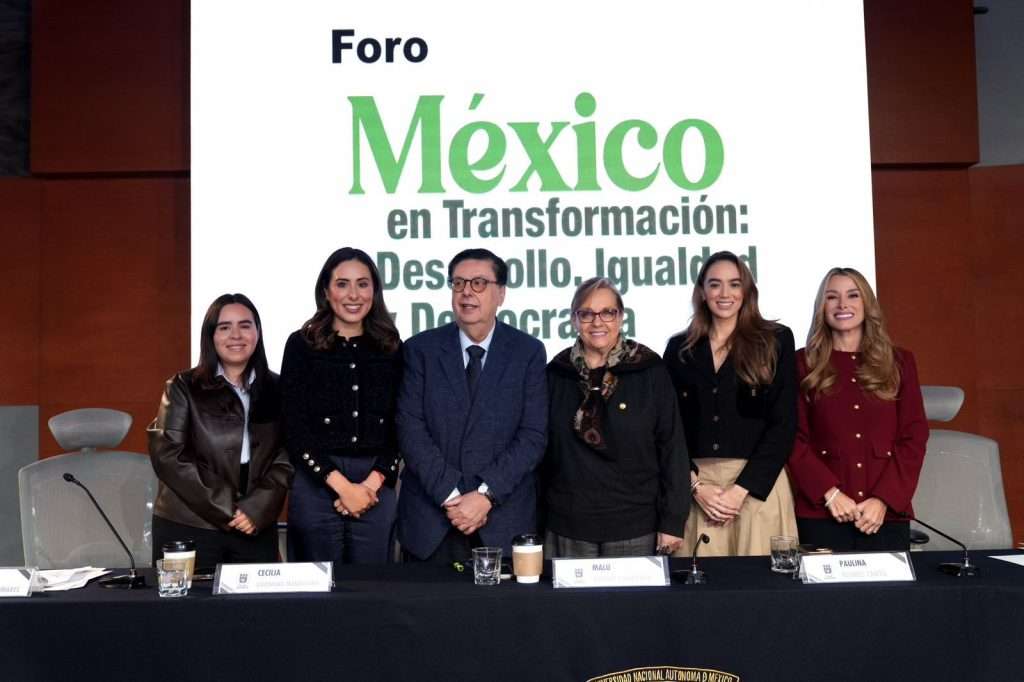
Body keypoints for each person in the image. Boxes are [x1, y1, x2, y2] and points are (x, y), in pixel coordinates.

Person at [396, 248, 547, 563]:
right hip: (432, 521)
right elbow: (410, 429)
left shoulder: (527, 352)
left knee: (503, 614)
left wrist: (484, 496)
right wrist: (452, 497)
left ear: (500, 293)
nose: (467, 292)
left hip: (501, 521)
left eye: (479, 283)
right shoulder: (420, 350)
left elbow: (532, 436)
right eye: (459, 283)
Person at [542, 278, 689, 558]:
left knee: (630, 604)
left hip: (635, 524)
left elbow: (672, 447)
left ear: (621, 317)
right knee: (568, 605)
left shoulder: (649, 369)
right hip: (568, 525)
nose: (597, 322)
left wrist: (673, 521)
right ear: (574, 320)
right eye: (586, 313)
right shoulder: (556, 373)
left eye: (607, 313)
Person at [664, 251, 798, 556]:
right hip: (699, 492)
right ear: (701, 292)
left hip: (757, 490)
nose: (724, 294)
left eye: (734, 284)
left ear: (747, 290)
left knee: (763, 595)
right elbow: (669, 430)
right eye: (715, 284)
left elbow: (784, 424)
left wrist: (740, 491)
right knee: (699, 598)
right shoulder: (679, 350)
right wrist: (695, 488)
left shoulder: (776, 340)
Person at [148, 294, 293, 570]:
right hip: (188, 523)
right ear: (211, 336)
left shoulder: (279, 388)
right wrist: (228, 509)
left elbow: (287, 454)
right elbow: (168, 454)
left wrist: (256, 508)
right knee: (187, 612)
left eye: (245, 325)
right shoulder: (183, 386)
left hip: (254, 524)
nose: (236, 335)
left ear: (258, 332)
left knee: (256, 613)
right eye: (224, 327)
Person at [787, 267, 927, 551]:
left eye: (853, 295)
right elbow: (792, 437)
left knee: (890, 596)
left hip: (884, 516)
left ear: (867, 304)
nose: (843, 305)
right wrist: (829, 494)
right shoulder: (801, 363)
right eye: (832, 297)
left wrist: (883, 500)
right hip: (821, 513)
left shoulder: (900, 362)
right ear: (821, 307)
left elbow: (914, 436)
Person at [280, 247, 403, 564]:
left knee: (373, 592)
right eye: (342, 283)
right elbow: (294, 427)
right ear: (326, 290)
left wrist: (370, 485)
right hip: (317, 481)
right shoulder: (301, 345)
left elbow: (400, 424)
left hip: (376, 484)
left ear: (374, 291)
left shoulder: (391, 345)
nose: (353, 294)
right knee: (315, 594)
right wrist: (341, 487)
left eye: (363, 284)